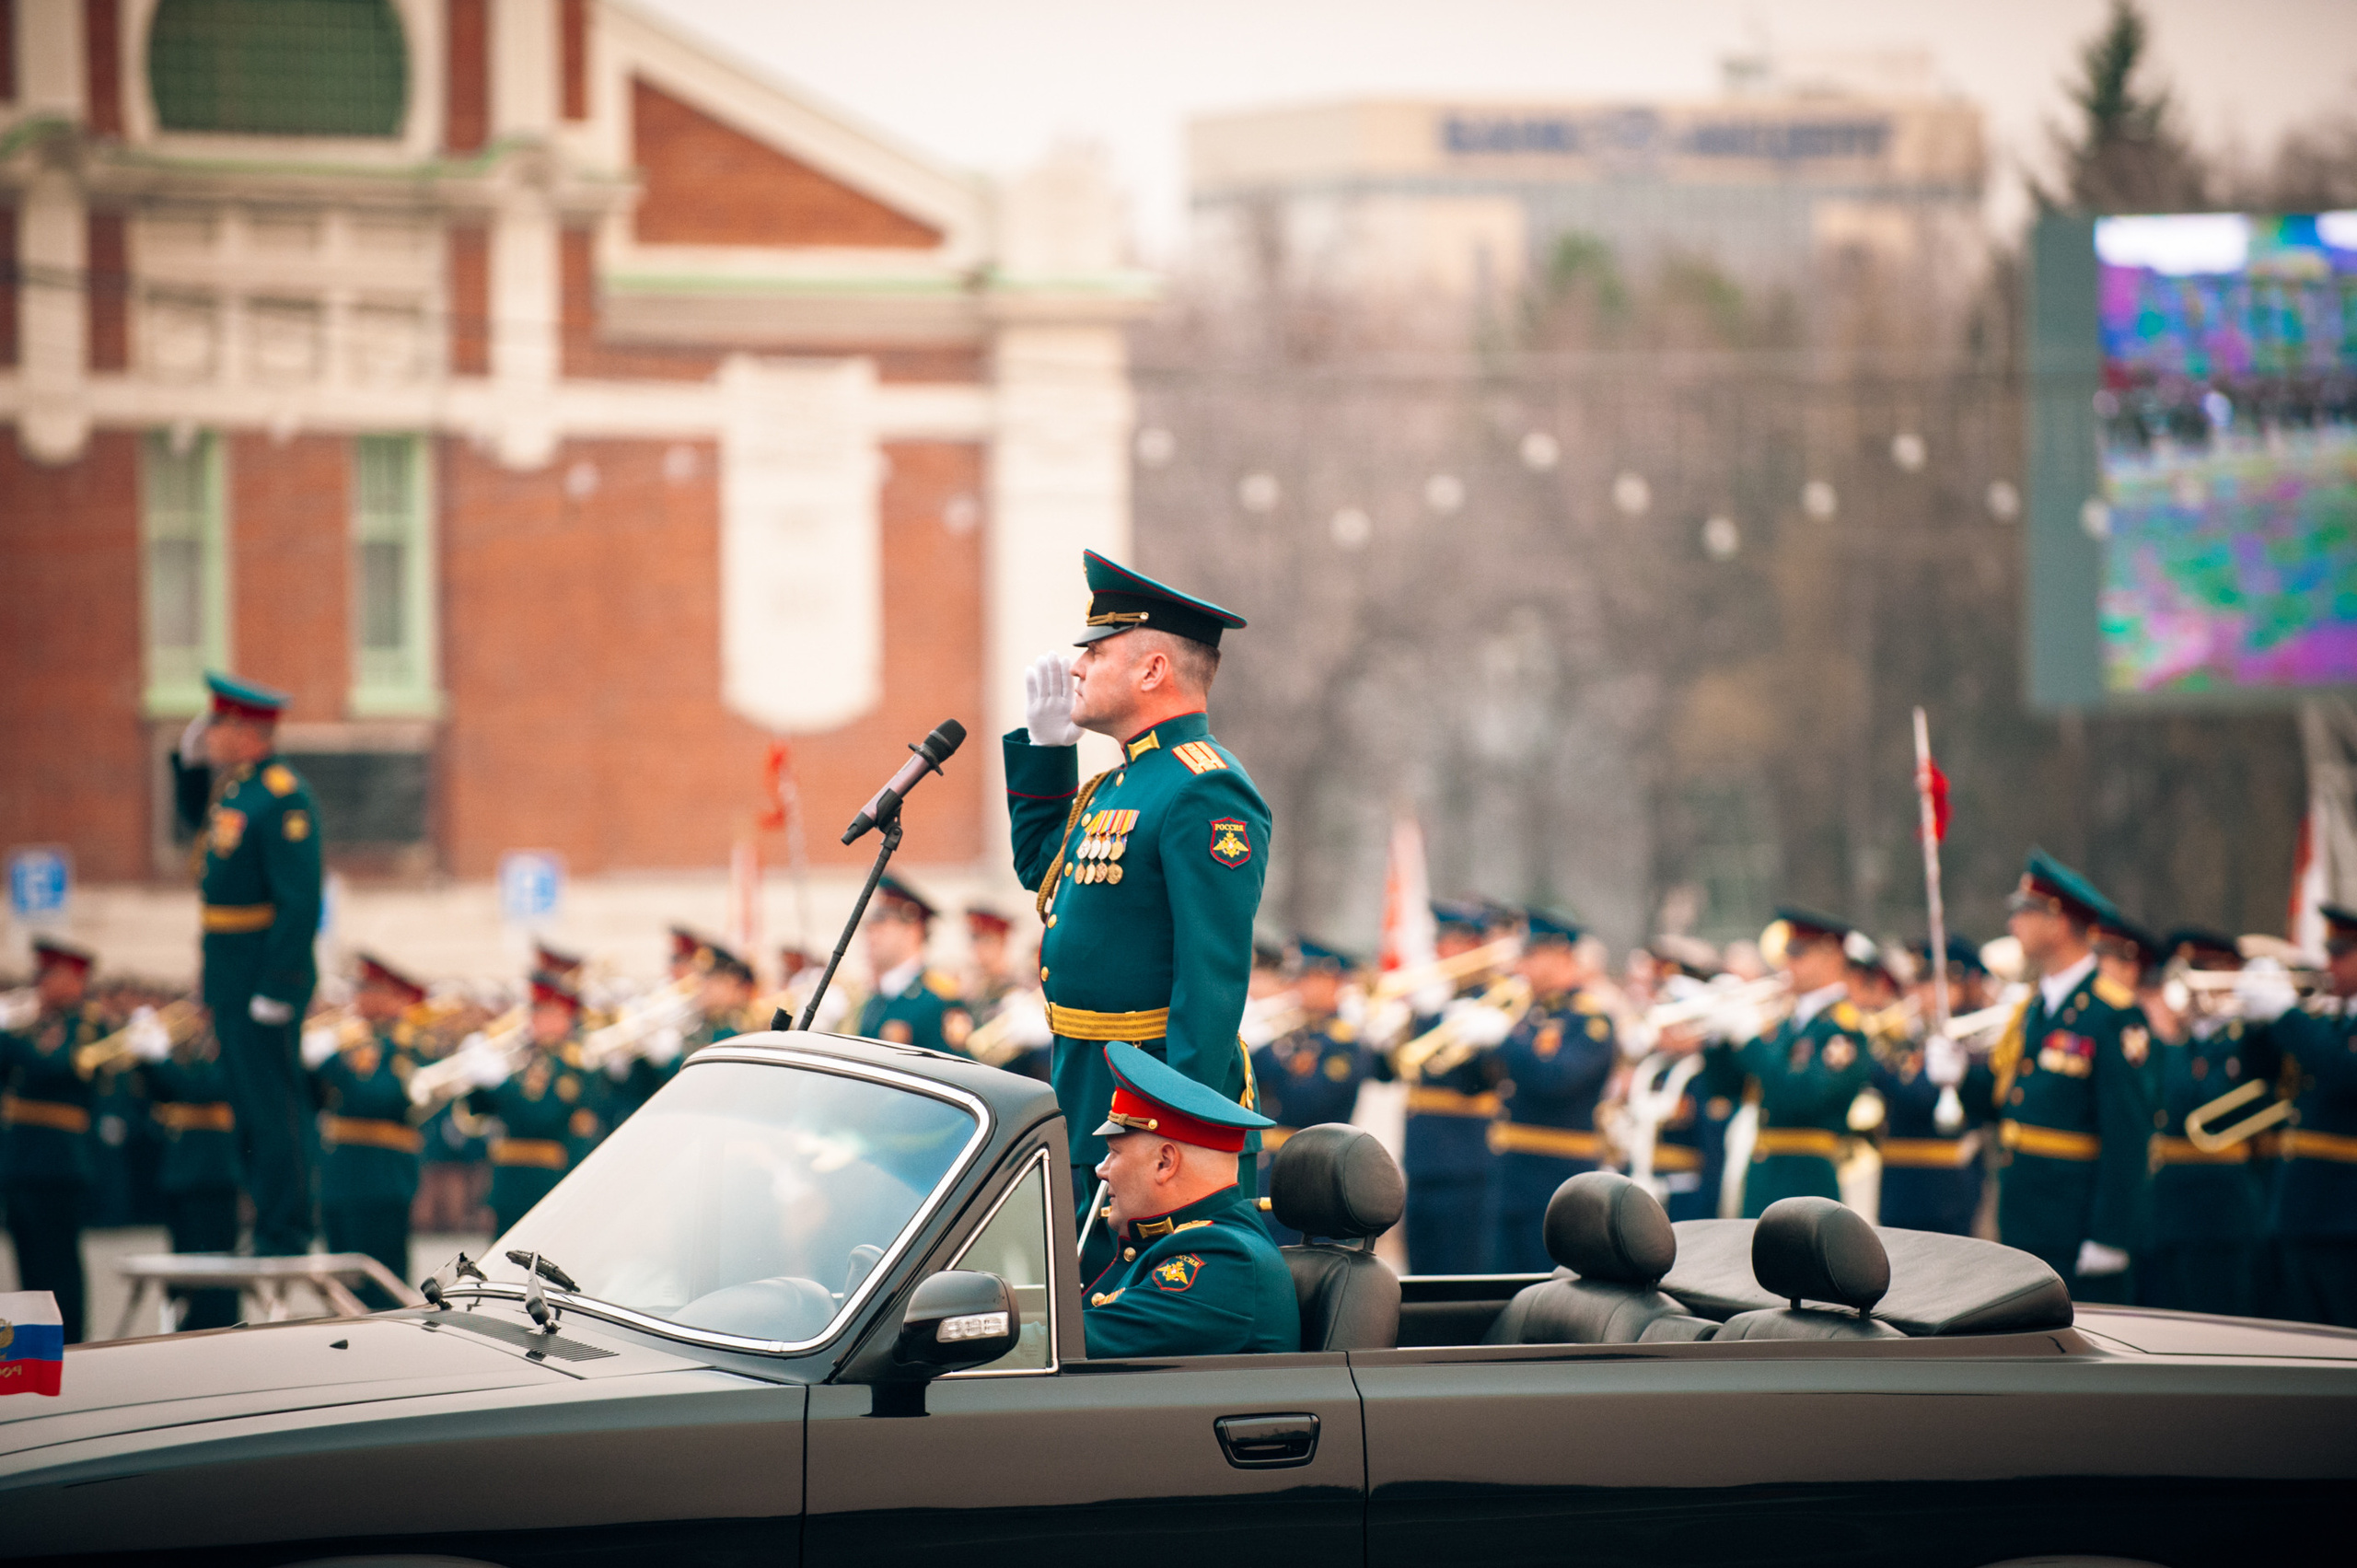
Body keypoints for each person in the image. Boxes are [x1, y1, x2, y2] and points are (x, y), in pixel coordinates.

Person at [1004, 551, 1269, 1225]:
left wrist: (1177, 1133)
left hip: (1153, 1104)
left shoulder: (1203, 787)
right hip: (1090, 1083)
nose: (1076, 666)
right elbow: (1045, 868)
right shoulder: (1121, 782)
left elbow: (1208, 985)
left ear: (1153, 669)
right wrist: (1047, 749)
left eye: (1096, 650)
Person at [172, 671, 323, 1258]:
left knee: (274, 1107)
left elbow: (299, 899)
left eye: (217, 725)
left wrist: (280, 982)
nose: (210, 734)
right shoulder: (238, 791)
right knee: (247, 1105)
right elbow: (201, 842)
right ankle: (266, 1220)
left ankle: (286, 1228)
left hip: (263, 974)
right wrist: (185, 766)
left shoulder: (284, 795)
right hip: (231, 974)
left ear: (245, 729)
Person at [1958, 849, 2152, 1303]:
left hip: (2076, 1224)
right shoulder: (2034, 1008)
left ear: (2059, 921)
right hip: (2026, 1218)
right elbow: (2010, 1101)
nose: (2013, 925)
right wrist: (1961, 1079)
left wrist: (2111, 1234)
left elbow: (2128, 1131)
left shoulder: (2112, 1013)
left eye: (2024, 912)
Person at [1082, 1041, 1299, 1357]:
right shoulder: (1171, 1242)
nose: (1102, 1170)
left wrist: (986, 1332)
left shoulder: (1225, 1260)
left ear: (1165, 1163)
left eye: (1114, 1152)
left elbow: (1077, 1345)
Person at [1702, 907, 1873, 1218]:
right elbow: (1725, 1089)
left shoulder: (1843, 1029)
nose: (1786, 963)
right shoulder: (1784, 1024)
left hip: (1806, 1178)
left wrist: (1750, 1038)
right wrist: (1717, 1042)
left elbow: (1803, 1094)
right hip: (1763, 1175)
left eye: (1797, 952)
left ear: (1831, 955)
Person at [2236, 902, 2357, 1327]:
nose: (2329, 963)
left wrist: (2285, 1014)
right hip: (2298, 1210)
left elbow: (2345, 1073)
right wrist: (2257, 1024)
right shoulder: (2326, 1020)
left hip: (2346, 1219)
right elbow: (2262, 1079)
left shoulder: (2317, 1027)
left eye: (2341, 951)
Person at [1380, 899, 1514, 1272]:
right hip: (1423, 1157)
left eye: (1452, 941)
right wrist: (1384, 1035)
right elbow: (1390, 1071)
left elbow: (1479, 1082)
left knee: (1461, 1271)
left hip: (1468, 1160)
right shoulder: (1433, 999)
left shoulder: (1496, 1000)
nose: (1441, 950)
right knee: (1421, 1271)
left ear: (1475, 946)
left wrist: (1480, 1038)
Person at [1485, 912, 1620, 1272]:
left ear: (1562, 956)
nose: (1522, 965)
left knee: (1547, 1283)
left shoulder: (1589, 1020)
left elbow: (1556, 1078)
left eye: (1532, 956)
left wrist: (1504, 1040)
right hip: (1510, 1172)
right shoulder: (1528, 1014)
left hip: (1557, 1178)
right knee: (1502, 1287)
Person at [304, 954, 430, 1307]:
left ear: (394, 996)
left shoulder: (407, 1043)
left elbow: (382, 1097)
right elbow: (313, 1097)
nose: (359, 996)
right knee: (341, 1283)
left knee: (380, 1283)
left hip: (382, 1177)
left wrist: (337, 1064)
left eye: (369, 989)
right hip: (340, 1173)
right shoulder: (351, 1042)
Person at [0, 940, 105, 1342]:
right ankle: (33, 1347)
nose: (41, 984)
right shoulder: (30, 1026)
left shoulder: (88, 1025)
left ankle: (71, 1340)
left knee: (59, 1262)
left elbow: (55, 1066)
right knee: (28, 1264)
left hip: (61, 1161)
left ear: (76, 980)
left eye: (51, 976)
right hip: (21, 1161)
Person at [130, 998, 243, 1330]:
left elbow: (203, 1087)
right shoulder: (196, 1042)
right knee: (183, 1262)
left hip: (213, 1169)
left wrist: (161, 1060)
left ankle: (216, 1328)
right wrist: (146, 1063)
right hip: (183, 1167)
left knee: (212, 1267)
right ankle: (187, 1325)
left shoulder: (233, 1039)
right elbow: (162, 1096)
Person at [1250, 938, 1372, 1244]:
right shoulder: (1293, 1032)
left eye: (1308, 978)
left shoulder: (1343, 1042)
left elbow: (1305, 1102)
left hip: (1314, 1172)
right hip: (1271, 1168)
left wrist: (1270, 1054)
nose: (1298, 986)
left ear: (1333, 981)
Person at [466, 972, 601, 1237]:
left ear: (566, 1018)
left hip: (546, 1182)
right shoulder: (522, 1059)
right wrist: (477, 1083)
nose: (536, 1020)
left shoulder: (571, 1066)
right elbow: (479, 1110)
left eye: (547, 1013)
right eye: (536, 1012)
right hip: (507, 1181)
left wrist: (501, 1085)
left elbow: (540, 1115)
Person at [1870, 936, 1987, 1237]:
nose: (1915, 994)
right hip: (1898, 1182)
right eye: (1914, 984)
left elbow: (1922, 1095)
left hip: (1946, 1187)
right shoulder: (1906, 1040)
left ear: (1956, 987)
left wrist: (1886, 1069)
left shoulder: (1971, 1041)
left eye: (1927, 984)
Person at [853, 878, 974, 1055]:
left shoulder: (939, 1000)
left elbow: (959, 1073)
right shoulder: (876, 1000)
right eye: (871, 923)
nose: (871, 932)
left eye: (882, 921)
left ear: (912, 930)